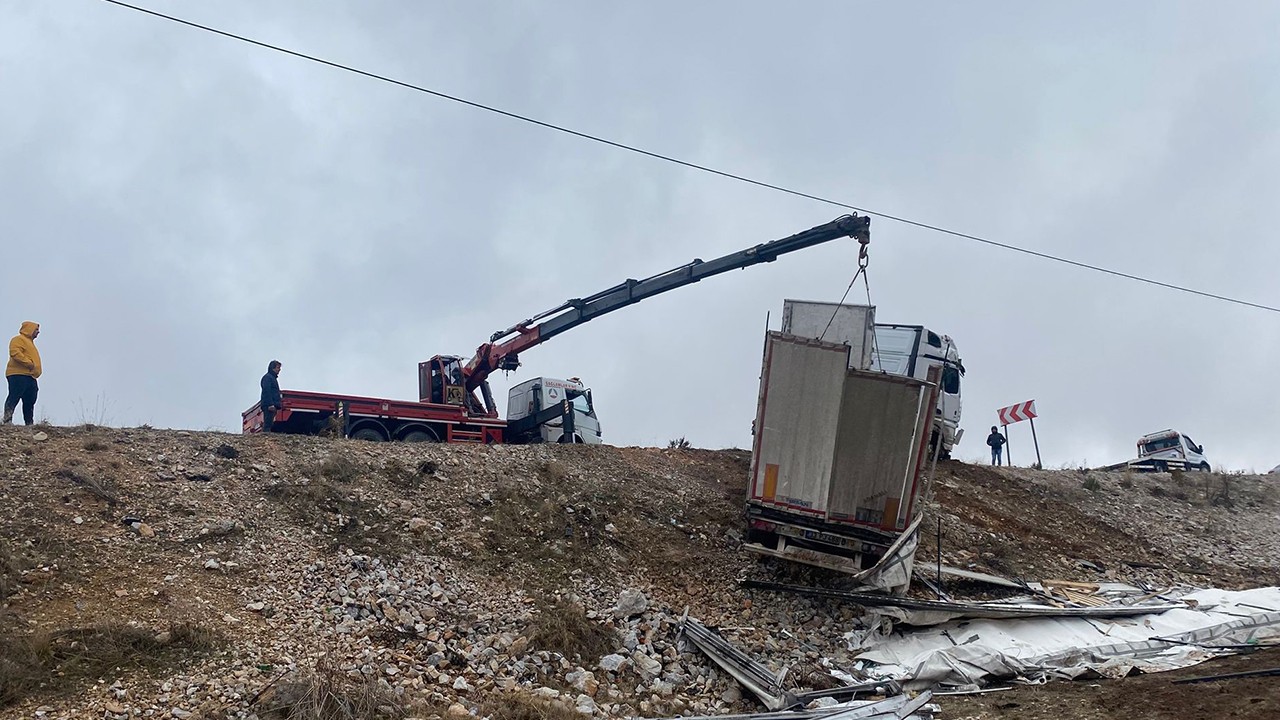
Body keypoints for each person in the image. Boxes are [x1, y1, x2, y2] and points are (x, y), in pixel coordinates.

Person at [4, 321, 42, 426]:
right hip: (18, 374)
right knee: (14, 396)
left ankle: (29, 423)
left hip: (30, 376)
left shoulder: (30, 344)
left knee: (30, 400)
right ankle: (7, 420)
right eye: (36, 330)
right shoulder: (18, 339)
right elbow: (15, 352)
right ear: (29, 329)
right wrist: (29, 363)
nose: (38, 332)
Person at [260, 360, 283, 432]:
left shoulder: (272, 378)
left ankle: (266, 437)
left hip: (272, 405)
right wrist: (270, 404)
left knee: (270, 423)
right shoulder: (268, 378)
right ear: (272, 368)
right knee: (268, 424)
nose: (279, 369)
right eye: (278, 367)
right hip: (269, 405)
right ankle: (265, 438)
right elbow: (267, 391)